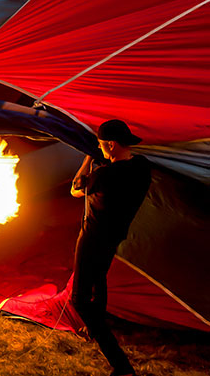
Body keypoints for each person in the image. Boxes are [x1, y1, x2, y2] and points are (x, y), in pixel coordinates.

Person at [70, 119, 151, 376]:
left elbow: (75, 189)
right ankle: (94, 329)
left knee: (79, 299)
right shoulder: (142, 168)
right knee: (99, 280)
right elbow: (121, 169)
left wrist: (86, 160)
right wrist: (104, 161)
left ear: (111, 145)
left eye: (101, 144)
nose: (98, 147)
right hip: (114, 237)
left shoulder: (102, 176)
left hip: (92, 238)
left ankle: (121, 365)